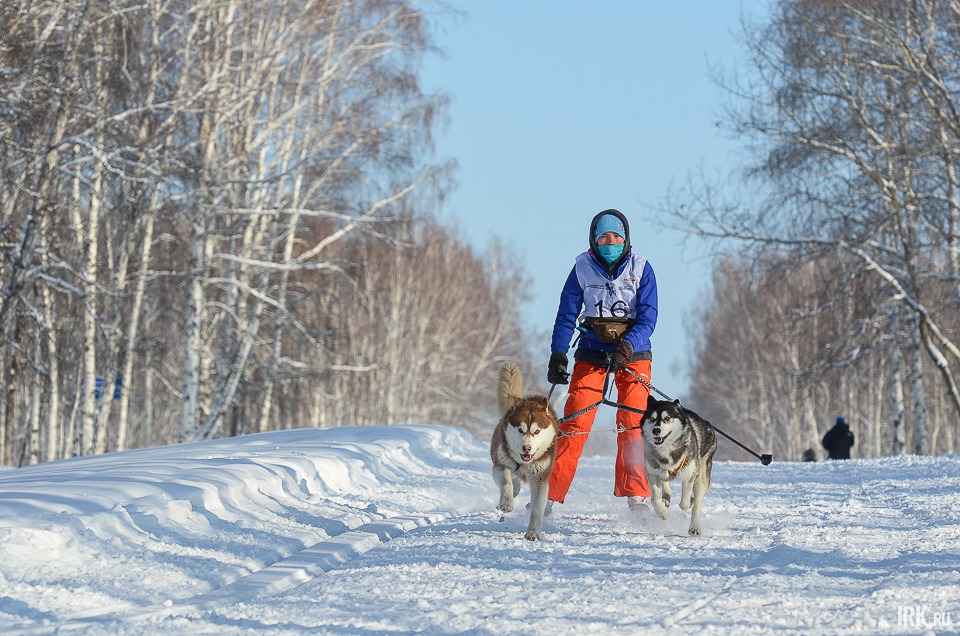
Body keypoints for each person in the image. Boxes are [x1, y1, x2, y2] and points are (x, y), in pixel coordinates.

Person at [546, 209, 658, 513]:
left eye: (616, 237)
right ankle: (548, 496)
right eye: (604, 237)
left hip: (632, 354)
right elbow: (566, 315)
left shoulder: (642, 268)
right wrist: (558, 354)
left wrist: (626, 347)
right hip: (593, 351)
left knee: (632, 422)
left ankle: (637, 497)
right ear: (594, 240)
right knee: (576, 421)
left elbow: (648, 318)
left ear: (626, 239)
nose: (611, 242)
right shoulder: (581, 268)